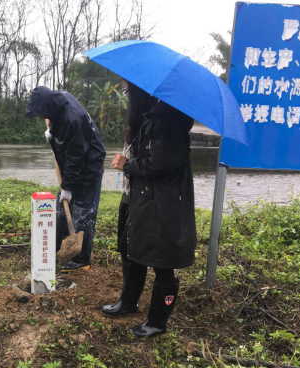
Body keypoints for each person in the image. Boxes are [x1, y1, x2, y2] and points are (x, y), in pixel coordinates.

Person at [101, 80, 196, 338]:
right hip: (144, 197)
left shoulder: (166, 120)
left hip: (162, 203)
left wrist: (127, 165)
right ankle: (128, 302)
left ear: (139, 91)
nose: (126, 95)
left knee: (162, 261)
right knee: (132, 249)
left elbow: (160, 164)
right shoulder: (150, 117)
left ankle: (157, 322)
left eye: (127, 90)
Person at [26, 86, 106, 272]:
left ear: (48, 107)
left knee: (83, 213)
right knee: (61, 209)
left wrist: (67, 187)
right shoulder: (58, 103)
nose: (41, 117)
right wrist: (53, 133)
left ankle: (81, 259)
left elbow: (76, 158)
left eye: (41, 113)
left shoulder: (74, 119)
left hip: (89, 166)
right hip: (72, 164)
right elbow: (66, 143)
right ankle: (58, 247)